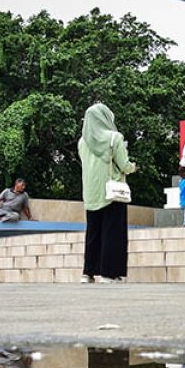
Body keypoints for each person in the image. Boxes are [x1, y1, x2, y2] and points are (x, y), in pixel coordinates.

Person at [78, 103, 136, 283]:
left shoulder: (83, 141)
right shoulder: (114, 138)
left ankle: (88, 273)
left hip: (91, 193)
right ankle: (108, 273)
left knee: (93, 233)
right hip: (112, 193)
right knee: (113, 233)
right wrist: (133, 167)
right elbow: (124, 165)